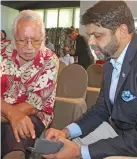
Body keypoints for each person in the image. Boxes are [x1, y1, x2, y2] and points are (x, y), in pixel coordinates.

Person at [43, 1, 137, 159]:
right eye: (90, 36)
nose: (91, 42)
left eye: (98, 36)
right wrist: (65, 132)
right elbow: (101, 110)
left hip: (132, 141)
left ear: (122, 31)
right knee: (58, 151)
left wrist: (80, 152)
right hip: (117, 132)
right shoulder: (110, 63)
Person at [1, 10, 59, 159]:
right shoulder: (2, 51)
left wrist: (11, 115)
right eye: (22, 40)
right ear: (14, 38)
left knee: (16, 131)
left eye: (35, 40)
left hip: (33, 115)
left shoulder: (49, 60)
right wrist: (11, 112)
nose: (29, 47)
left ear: (43, 38)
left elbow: (32, 105)